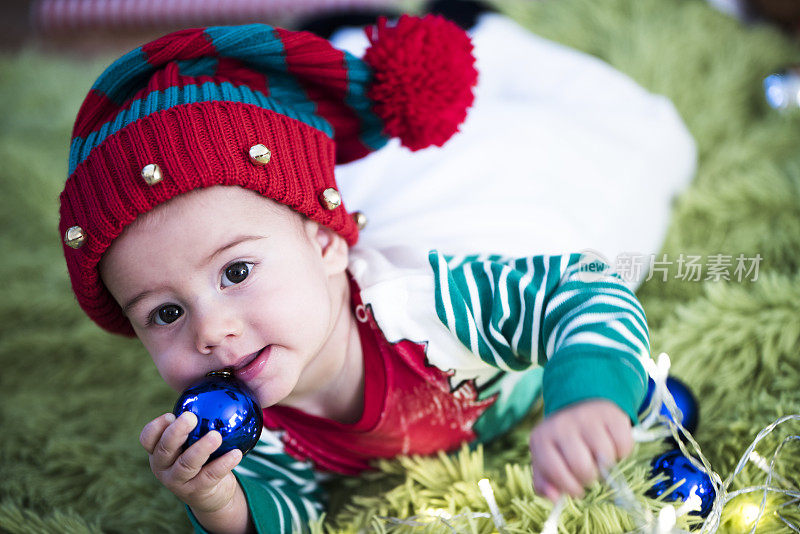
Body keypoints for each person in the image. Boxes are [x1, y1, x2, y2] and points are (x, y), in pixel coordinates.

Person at [58, 14, 651, 534]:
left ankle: (465, 27)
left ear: (325, 245)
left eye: (236, 271)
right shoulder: (244, 417)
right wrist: (216, 499)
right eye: (165, 313)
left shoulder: (433, 307)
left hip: (493, 213)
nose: (209, 331)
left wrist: (587, 397)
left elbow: (583, 288)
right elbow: (286, 506)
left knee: (627, 151)